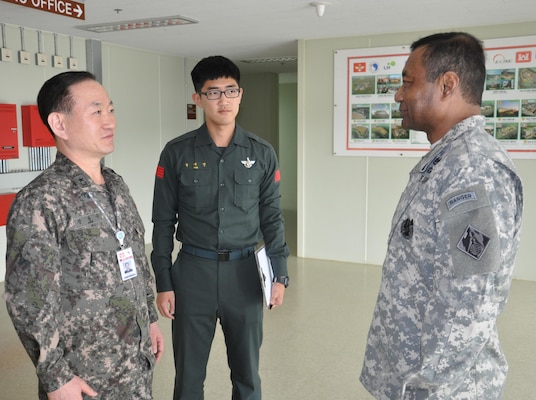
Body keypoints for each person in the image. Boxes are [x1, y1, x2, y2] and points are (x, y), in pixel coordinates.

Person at [360, 32, 524, 399]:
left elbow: (472, 299)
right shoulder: (448, 159)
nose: (398, 95)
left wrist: (428, 388)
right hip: (415, 374)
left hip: (442, 387)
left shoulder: (471, 167)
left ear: (447, 84)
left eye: (407, 82)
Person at [3, 71, 164, 400]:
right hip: (85, 377)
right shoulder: (41, 200)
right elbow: (29, 299)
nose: (110, 122)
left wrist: (149, 319)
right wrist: (55, 377)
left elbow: (133, 258)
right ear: (59, 124)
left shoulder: (116, 185)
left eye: (111, 110)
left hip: (134, 364)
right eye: (96, 112)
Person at [151, 55, 289, 400]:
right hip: (192, 274)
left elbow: (272, 217)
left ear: (241, 94)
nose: (223, 100)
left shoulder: (262, 153)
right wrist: (164, 282)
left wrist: (280, 275)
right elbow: (163, 222)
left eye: (230, 90)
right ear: (198, 99)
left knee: (247, 375)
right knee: (188, 378)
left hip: (245, 274)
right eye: (213, 92)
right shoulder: (176, 153)